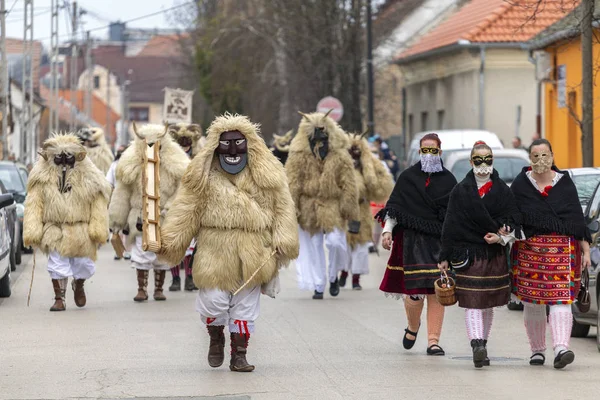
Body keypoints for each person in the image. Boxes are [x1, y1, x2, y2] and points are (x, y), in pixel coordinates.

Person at [158, 113, 299, 372]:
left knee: (245, 305)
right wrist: (168, 242)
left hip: (255, 249)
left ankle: (240, 354)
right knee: (214, 301)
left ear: (250, 144)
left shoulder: (268, 176)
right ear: (215, 146)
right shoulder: (200, 177)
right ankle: (215, 337)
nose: (233, 149)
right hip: (214, 249)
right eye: (226, 143)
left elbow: (283, 209)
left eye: (238, 142)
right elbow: (185, 212)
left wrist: (283, 239)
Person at [438, 141, 522, 368]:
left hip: (493, 253)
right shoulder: (460, 190)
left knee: (487, 304)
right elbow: (450, 223)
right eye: (479, 160)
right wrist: (444, 256)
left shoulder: (503, 190)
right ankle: (476, 345)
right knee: (472, 303)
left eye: (488, 159)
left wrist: (501, 237)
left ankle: (483, 344)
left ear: (492, 161)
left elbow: (514, 219)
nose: (483, 164)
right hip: (469, 254)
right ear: (471, 162)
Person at [511, 138, 591, 369]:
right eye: (535, 156)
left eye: (545, 155)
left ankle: (561, 348)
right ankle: (537, 350)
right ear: (529, 158)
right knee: (533, 302)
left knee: (561, 299)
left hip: (562, 251)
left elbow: (577, 221)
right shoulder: (520, 185)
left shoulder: (565, 184)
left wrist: (585, 252)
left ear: (553, 156)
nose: (541, 160)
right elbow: (511, 216)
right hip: (529, 250)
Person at [377, 133, 457, 356]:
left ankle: (433, 341)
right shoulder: (407, 177)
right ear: (419, 152)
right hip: (412, 242)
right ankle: (413, 326)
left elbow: (454, 215)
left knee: (437, 291)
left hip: (438, 243)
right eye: (425, 150)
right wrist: (387, 231)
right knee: (413, 294)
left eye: (433, 150)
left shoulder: (449, 180)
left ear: (440, 152)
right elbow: (394, 208)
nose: (428, 154)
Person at [23, 133, 111, 311]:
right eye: (58, 157)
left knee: (84, 266)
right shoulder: (42, 174)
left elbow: (99, 199)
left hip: (80, 227)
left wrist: (98, 227)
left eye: (68, 156)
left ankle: (78, 284)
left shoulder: (88, 173)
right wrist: (33, 229)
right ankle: (59, 298)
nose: (63, 161)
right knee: (56, 263)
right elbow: (34, 202)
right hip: (54, 226)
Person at [108, 123, 189, 302]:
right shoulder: (130, 161)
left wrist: (171, 207)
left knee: (161, 253)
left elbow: (184, 188)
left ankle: (159, 289)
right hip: (140, 215)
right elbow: (122, 192)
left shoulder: (177, 161)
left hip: (164, 215)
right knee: (141, 252)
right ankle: (141, 289)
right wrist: (116, 221)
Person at [286, 110, 360, 299]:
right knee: (315, 243)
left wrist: (350, 211)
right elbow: (292, 182)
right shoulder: (298, 155)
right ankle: (319, 284)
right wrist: (290, 211)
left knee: (335, 241)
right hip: (308, 206)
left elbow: (349, 184)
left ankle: (333, 275)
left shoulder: (340, 155)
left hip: (332, 203)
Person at [339, 131, 394, 289]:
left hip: (362, 210)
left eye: (357, 150)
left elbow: (381, 183)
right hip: (345, 211)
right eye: (351, 150)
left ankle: (356, 279)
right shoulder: (342, 166)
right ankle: (343, 273)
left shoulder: (368, 164)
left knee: (361, 247)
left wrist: (368, 171)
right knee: (344, 244)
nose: (354, 153)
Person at [166, 122, 203, 291]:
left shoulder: (200, 159)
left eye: (187, 142)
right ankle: (175, 279)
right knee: (173, 243)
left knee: (191, 244)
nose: (184, 145)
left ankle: (189, 276)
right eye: (181, 142)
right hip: (172, 205)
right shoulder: (169, 160)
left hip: (194, 205)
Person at [107, 145, 131, 261]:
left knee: (127, 226)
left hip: (128, 196)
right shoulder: (114, 165)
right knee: (118, 225)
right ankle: (119, 250)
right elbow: (109, 182)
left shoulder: (130, 164)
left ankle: (125, 250)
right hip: (118, 197)